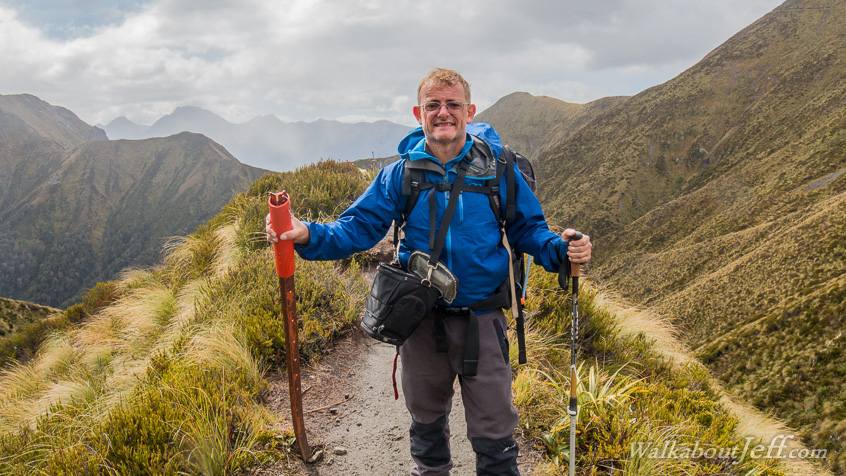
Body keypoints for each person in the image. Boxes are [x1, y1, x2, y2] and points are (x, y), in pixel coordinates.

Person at [267, 68, 592, 475]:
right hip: (421, 321)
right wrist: (305, 234)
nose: (443, 112)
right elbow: (358, 228)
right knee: (427, 424)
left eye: (452, 104)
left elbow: (528, 230)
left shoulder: (500, 169)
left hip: (483, 320)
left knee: (495, 434)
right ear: (419, 112)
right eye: (434, 105)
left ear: (469, 111)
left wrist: (562, 251)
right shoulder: (399, 175)